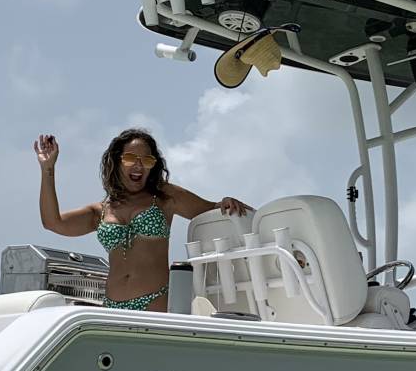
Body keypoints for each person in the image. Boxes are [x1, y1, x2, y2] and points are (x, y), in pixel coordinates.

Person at [33, 128, 252, 311]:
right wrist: (47, 169)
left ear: (153, 165)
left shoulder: (165, 197)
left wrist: (224, 202)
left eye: (146, 160)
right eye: (130, 158)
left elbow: (208, 211)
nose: (138, 166)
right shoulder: (99, 211)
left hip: (156, 300)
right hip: (112, 306)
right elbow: (53, 222)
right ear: (117, 162)